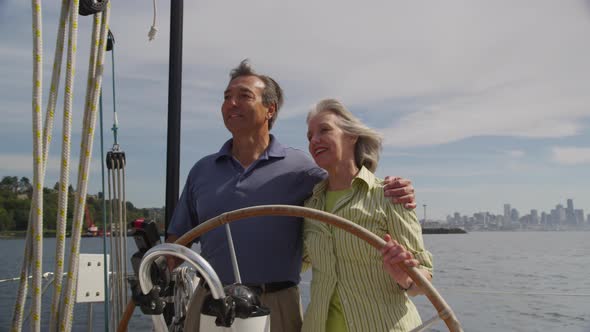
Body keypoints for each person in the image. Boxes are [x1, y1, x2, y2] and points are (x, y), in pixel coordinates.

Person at [166, 60, 417, 332]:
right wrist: (158, 271)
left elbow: (348, 184)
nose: (231, 103)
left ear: (270, 109)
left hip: (278, 304)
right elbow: (177, 243)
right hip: (210, 301)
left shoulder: (303, 169)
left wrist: (394, 186)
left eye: (244, 96)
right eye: (227, 97)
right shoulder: (202, 171)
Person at [302, 98, 433, 332]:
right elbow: (298, 263)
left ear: (351, 136)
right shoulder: (310, 206)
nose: (314, 140)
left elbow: (423, 281)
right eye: (310, 136)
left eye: (324, 130)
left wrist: (405, 277)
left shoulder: (389, 196)